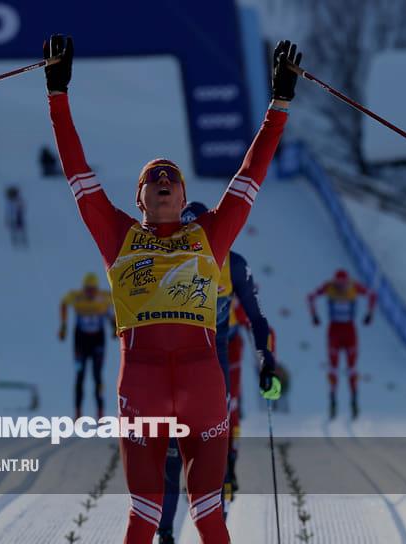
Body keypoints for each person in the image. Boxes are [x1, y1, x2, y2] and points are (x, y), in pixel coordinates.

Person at [43, 33, 299, 543]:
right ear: (139, 199)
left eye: (172, 177)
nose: (163, 178)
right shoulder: (118, 235)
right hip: (142, 386)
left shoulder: (210, 236)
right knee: (143, 514)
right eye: (152, 178)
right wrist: (57, 94)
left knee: (209, 514)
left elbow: (251, 174)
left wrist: (280, 103)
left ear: (183, 197)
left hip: (203, 385)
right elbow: (77, 171)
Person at [156, 202, 278, 543]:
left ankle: (213, 526)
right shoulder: (165, 260)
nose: (194, 244)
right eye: (186, 237)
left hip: (214, 362)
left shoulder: (234, 265)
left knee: (213, 454)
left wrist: (265, 359)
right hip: (173, 365)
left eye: (201, 237)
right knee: (171, 453)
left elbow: (257, 318)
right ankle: (165, 533)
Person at [306, 268, 376, 419]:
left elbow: (372, 295)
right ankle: (333, 400)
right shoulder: (329, 287)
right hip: (334, 331)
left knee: (352, 368)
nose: (341, 287)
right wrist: (314, 316)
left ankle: (354, 400)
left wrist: (369, 314)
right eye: (339, 284)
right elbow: (311, 297)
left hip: (349, 331)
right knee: (333, 367)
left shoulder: (354, 286)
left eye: (343, 284)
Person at [60, 272, 115, 419]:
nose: (90, 293)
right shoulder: (77, 296)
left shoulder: (103, 297)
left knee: (97, 376)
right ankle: (78, 413)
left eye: (93, 289)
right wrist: (63, 326)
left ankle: (100, 413)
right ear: (83, 289)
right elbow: (64, 303)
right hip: (81, 342)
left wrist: (114, 326)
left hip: (98, 341)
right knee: (80, 376)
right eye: (87, 289)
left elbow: (114, 308)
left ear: (97, 289)